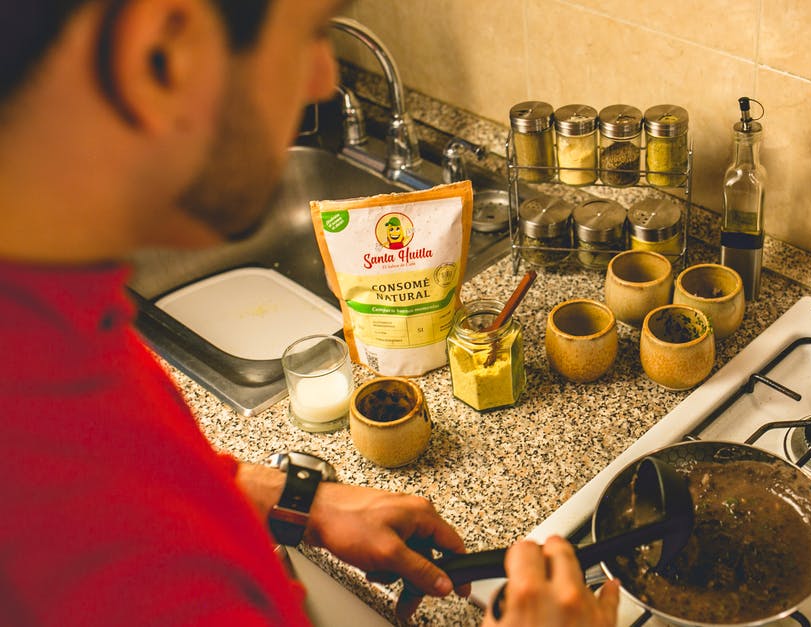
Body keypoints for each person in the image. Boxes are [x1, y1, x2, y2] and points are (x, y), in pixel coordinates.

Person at [0, 1, 619, 625]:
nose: (323, 78)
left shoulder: (50, 308)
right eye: (307, 35)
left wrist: (293, 502)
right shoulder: (135, 579)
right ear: (159, 58)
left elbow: (132, 475)